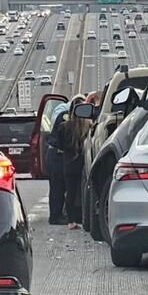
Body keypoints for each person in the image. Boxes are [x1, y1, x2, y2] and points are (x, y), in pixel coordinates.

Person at [61, 95, 90, 230]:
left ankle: (71, 220)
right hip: (83, 163)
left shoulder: (64, 126)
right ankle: (85, 218)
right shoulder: (88, 126)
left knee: (70, 192)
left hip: (68, 162)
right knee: (84, 191)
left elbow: (60, 144)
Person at [47, 101, 69, 225]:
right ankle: (55, 217)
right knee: (57, 187)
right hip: (57, 154)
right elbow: (63, 137)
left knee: (57, 186)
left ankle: (57, 214)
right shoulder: (65, 116)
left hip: (54, 153)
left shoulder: (63, 114)